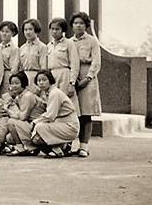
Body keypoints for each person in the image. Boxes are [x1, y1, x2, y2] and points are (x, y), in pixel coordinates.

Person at [70, 11, 102, 158]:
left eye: (81, 23)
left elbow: (96, 61)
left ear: (86, 25)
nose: (78, 25)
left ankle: (84, 146)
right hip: (71, 77)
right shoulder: (69, 42)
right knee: (71, 112)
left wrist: (87, 78)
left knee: (86, 114)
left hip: (87, 77)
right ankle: (66, 145)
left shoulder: (92, 41)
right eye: (76, 23)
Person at [31, 70, 80, 158]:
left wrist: (35, 122)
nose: (41, 83)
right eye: (39, 81)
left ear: (50, 80)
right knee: (36, 138)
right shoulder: (47, 93)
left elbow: (50, 115)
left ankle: (57, 150)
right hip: (61, 124)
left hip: (69, 126)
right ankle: (61, 147)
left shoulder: (54, 93)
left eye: (44, 80)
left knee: (39, 127)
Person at [4, 72, 45, 156]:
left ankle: (21, 147)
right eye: (12, 83)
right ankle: (30, 147)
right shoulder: (19, 96)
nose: (14, 86)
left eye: (17, 83)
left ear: (23, 83)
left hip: (36, 125)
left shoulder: (27, 96)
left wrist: (8, 111)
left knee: (10, 122)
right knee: (9, 138)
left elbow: (23, 117)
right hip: (30, 125)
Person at [47, 18, 80, 110]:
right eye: (52, 29)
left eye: (57, 29)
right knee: (54, 103)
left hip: (65, 75)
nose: (54, 31)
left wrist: (72, 83)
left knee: (66, 103)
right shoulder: (49, 45)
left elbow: (74, 64)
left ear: (63, 30)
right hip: (52, 76)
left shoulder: (69, 43)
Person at [19, 18, 47, 94]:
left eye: (30, 29)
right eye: (25, 30)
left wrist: (38, 85)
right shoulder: (22, 48)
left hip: (36, 78)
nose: (28, 32)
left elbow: (43, 67)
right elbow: (20, 67)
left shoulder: (42, 47)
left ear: (36, 30)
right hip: (24, 79)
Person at [0, 21, 20, 97]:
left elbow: (14, 67)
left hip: (7, 75)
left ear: (12, 33)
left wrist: (11, 81)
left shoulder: (14, 48)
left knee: (6, 96)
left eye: (7, 32)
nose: (4, 34)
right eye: (2, 31)